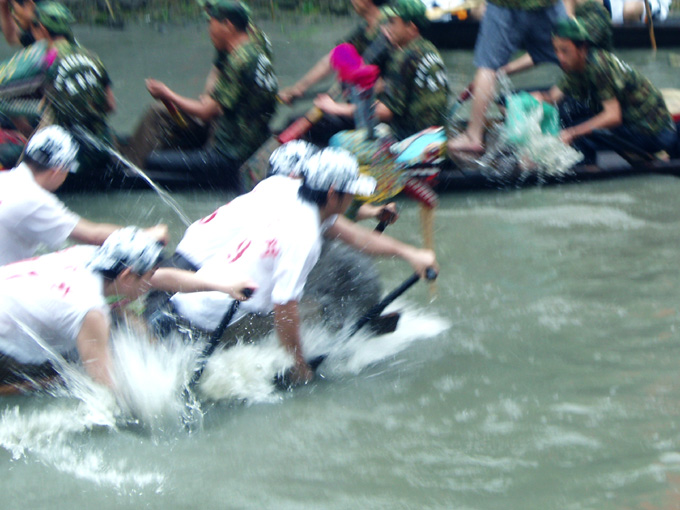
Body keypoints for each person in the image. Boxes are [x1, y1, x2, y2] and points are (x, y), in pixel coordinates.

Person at [169, 147, 438, 386]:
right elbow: (284, 310)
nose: (353, 198)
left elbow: (359, 238)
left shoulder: (289, 191)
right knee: (317, 309)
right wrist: (298, 365)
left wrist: (410, 254)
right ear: (333, 194)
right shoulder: (304, 236)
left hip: (189, 301)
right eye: (351, 192)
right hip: (214, 322)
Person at [0, 227, 254, 392]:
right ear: (127, 276)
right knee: (66, 383)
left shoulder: (89, 256)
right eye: (147, 276)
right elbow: (105, 387)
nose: (151, 283)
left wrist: (224, 286)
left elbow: (161, 278)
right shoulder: (91, 310)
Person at [122, 0, 274, 169]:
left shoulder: (242, 54)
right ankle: (131, 160)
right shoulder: (239, 44)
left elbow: (208, 111)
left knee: (154, 161)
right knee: (156, 114)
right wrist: (209, 98)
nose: (209, 27)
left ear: (227, 24)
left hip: (232, 141)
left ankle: (131, 172)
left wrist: (167, 94)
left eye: (211, 21)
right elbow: (217, 74)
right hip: (227, 120)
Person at [0, 125, 168, 266]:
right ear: (58, 170)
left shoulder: (5, 179)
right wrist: (145, 234)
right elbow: (92, 235)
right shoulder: (34, 199)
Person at [532, 18, 677, 164]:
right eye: (556, 50)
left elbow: (613, 116)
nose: (560, 57)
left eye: (565, 51)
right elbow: (552, 97)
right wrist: (528, 101)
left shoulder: (598, 66)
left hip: (654, 131)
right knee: (568, 114)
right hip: (634, 123)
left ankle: (587, 172)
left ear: (582, 49)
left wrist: (572, 133)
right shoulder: (574, 65)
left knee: (581, 134)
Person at [312, 0, 450, 143]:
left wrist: (335, 108)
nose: (385, 28)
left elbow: (384, 112)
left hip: (410, 138)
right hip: (436, 134)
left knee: (339, 140)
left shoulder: (403, 58)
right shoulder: (429, 49)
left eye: (392, 22)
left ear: (411, 28)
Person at [447, 0, 567, 154]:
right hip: (547, 3)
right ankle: (595, 107)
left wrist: (491, 75)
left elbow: (488, 68)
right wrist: (500, 73)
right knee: (568, 45)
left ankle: (473, 136)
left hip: (505, 4)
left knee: (487, 67)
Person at [33, 2, 117, 175]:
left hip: (72, 157)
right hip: (104, 148)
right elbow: (110, 105)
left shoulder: (47, 61)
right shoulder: (92, 56)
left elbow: (46, 113)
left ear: (42, 29)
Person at [278, 0, 391, 105]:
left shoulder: (389, 31)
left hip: (377, 108)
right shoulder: (366, 28)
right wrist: (298, 89)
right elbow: (333, 58)